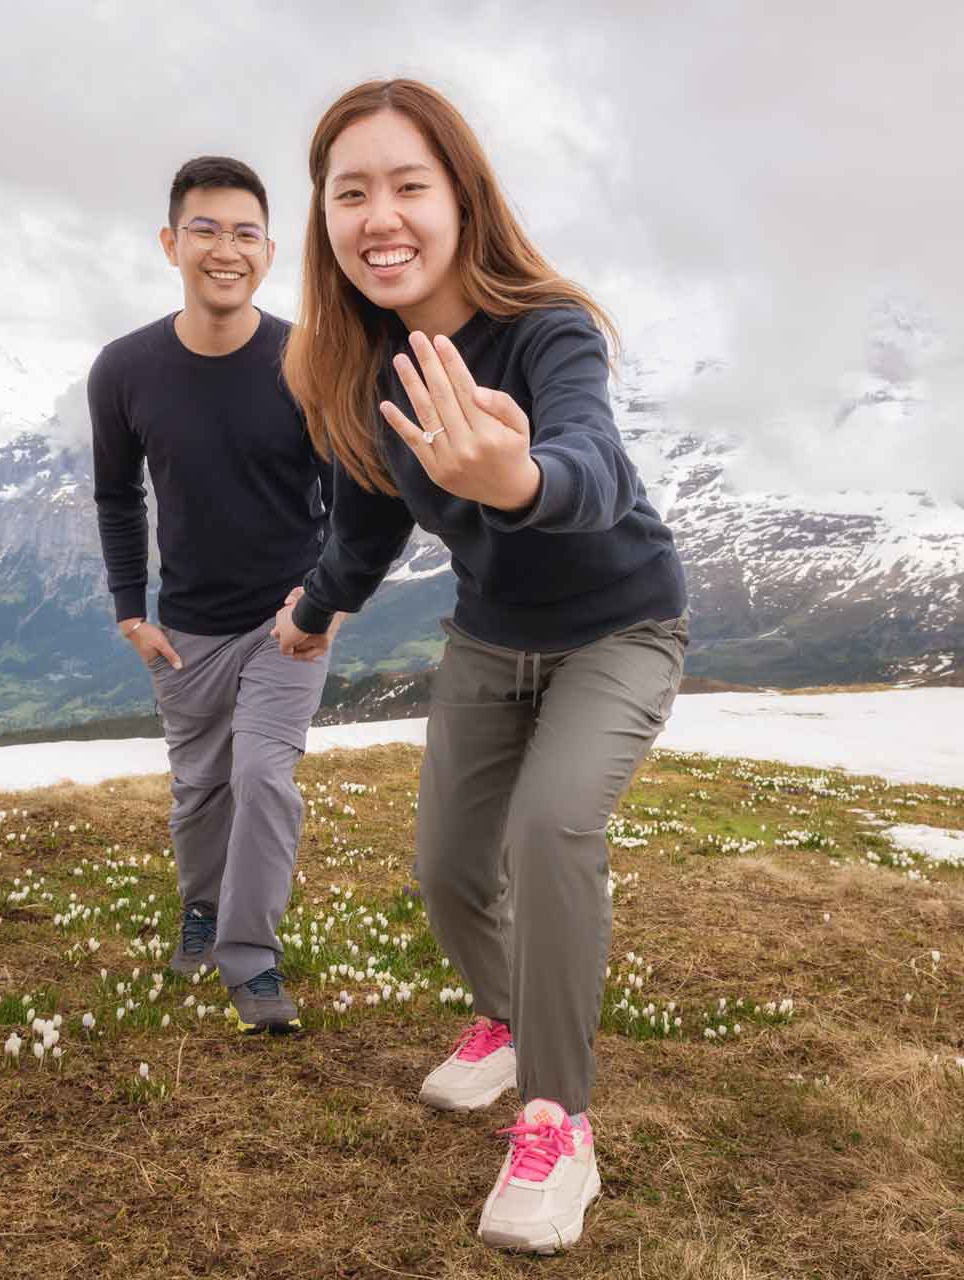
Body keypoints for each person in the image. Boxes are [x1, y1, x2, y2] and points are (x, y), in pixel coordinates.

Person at [272, 80, 687, 1253]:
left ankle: (558, 1118)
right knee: (451, 868)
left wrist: (517, 478)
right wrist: (314, 609)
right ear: (326, 217)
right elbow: (362, 521)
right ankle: (504, 1016)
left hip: (619, 626)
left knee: (549, 830)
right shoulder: (350, 364)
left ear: (460, 197)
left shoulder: (545, 325)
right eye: (350, 191)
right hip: (487, 636)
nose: (379, 215)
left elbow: (589, 461)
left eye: (409, 184)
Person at [89, 155, 338, 1035]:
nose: (224, 249)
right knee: (201, 789)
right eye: (205, 229)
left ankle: (250, 959)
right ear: (170, 243)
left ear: (268, 253)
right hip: (186, 628)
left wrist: (325, 605)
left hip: (288, 621)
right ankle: (201, 907)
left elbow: (349, 493)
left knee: (265, 779)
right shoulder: (125, 369)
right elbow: (117, 495)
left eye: (243, 234)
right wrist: (131, 610)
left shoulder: (310, 358)